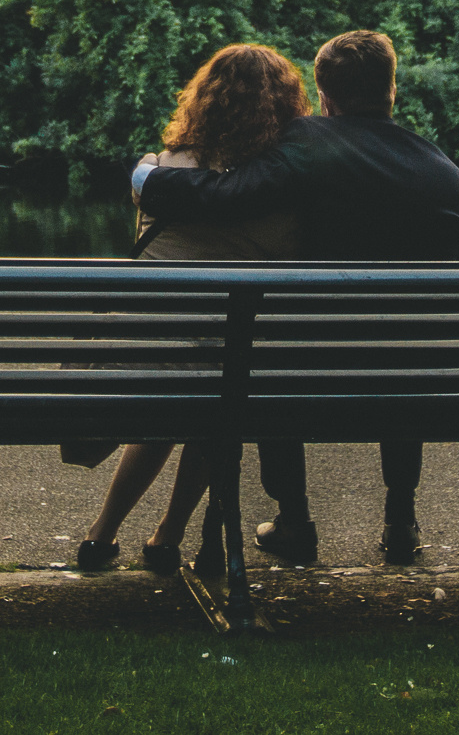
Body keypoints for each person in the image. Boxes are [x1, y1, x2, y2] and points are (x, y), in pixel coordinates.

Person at [132, 29, 459, 566]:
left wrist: (148, 178)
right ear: (392, 89)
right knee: (406, 339)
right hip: (430, 374)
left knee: (268, 356)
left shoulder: (309, 142)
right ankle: (400, 520)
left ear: (326, 94)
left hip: (317, 369)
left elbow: (227, 195)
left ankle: (294, 519)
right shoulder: (447, 172)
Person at [73, 43, 309, 573]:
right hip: (227, 367)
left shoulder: (159, 171)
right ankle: (167, 536)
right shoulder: (281, 188)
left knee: (178, 386)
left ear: (203, 100)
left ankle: (101, 534)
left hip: (144, 360)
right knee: (217, 394)